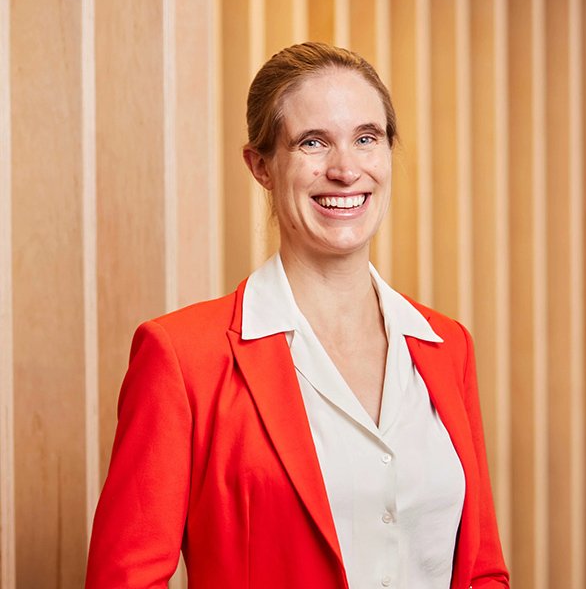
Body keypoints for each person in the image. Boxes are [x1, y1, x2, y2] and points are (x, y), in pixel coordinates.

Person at [85, 42, 509, 589]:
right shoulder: (183, 358)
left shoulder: (446, 346)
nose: (345, 169)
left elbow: (482, 571)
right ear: (261, 166)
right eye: (313, 142)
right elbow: (124, 578)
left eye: (366, 138)